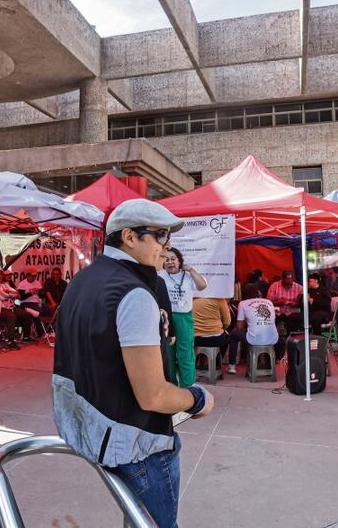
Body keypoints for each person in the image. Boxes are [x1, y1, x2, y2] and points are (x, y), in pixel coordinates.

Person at [53, 199, 214, 528]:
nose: (167, 247)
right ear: (129, 236)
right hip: (137, 442)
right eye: (159, 236)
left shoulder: (83, 280)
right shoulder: (134, 293)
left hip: (89, 427)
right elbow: (153, 396)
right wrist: (198, 399)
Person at [159, 247, 208, 387]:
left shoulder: (187, 276)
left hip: (184, 318)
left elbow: (202, 286)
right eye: (166, 259)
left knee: (185, 353)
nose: (170, 262)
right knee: (168, 353)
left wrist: (191, 270)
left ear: (179, 261)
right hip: (166, 318)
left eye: (173, 259)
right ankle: (170, 386)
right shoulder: (160, 275)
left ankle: (188, 386)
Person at [227, 283, 282, 374]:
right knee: (251, 331)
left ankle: (232, 365)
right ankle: (264, 364)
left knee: (234, 334)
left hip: (254, 339)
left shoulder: (243, 303)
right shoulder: (269, 302)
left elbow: (239, 327)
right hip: (273, 338)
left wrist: (247, 322)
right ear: (257, 292)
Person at [0, 266, 22, 349]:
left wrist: (8, 292)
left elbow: (16, 293)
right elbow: (3, 296)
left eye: (1, 274)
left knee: (23, 314)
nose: (0, 276)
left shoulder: (3, 284)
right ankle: (10, 341)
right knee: (11, 317)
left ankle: (26, 336)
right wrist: (8, 294)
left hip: (8, 307)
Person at [192, 296, 231, 361]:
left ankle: (198, 362)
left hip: (195, 339)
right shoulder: (220, 300)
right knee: (227, 338)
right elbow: (227, 322)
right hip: (215, 339)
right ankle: (217, 362)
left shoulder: (193, 299)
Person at [16, 268, 46, 338]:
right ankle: (41, 333)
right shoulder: (22, 284)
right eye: (32, 276)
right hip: (26, 304)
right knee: (37, 312)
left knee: (48, 309)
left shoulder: (37, 282)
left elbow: (42, 295)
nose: (34, 277)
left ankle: (48, 330)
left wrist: (40, 292)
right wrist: (31, 293)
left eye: (35, 276)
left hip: (37, 303)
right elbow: (21, 297)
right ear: (28, 275)